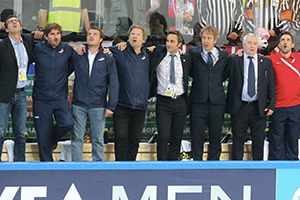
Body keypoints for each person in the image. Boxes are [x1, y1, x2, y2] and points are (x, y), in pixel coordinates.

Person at [70, 26, 119, 161]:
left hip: (98, 105)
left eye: (95, 34)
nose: (91, 36)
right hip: (79, 103)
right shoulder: (79, 54)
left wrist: (111, 106)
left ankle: (98, 166)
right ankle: (76, 167)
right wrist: (74, 47)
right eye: (89, 34)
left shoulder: (107, 57)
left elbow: (114, 82)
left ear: (101, 39)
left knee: (98, 139)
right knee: (77, 138)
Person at [225, 33, 276, 160]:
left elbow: (271, 86)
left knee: (258, 141)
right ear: (243, 44)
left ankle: (258, 171)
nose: (252, 46)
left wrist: (271, 105)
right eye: (249, 43)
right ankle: (236, 169)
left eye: (254, 43)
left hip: (258, 108)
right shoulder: (234, 60)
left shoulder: (266, 62)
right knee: (238, 140)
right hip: (240, 107)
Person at [33, 23, 74, 161]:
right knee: (42, 136)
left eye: (58, 34)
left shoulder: (67, 49)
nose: (56, 37)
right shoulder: (38, 48)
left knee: (67, 123)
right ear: (45, 36)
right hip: (41, 98)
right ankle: (47, 170)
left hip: (60, 97)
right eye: (52, 34)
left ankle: (52, 140)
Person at [148, 30, 192, 160]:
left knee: (177, 136)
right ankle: (161, 164)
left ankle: (173, 164)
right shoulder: (158, 53)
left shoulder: (186, 58)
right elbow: (142, 48)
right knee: (163, 135)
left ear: (179, 44)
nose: (168, 44)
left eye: (172, 41)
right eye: (167, 41)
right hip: (163, 102)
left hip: (180, 101)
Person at [108, 25, 150, 161]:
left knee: (134, 140)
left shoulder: (148, 56)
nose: (134, 36)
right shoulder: (120, 52)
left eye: (138, 34)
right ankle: (120, 168)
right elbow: (98, 49)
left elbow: (163, 50)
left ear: (144, 40)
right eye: (132, 34)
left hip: (140, 107)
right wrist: (80, 47)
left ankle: (131, 168)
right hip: (122, 105)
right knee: (120, 138)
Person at [187, 25, 229, 160]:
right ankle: (196, 162)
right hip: (198, 102)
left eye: (209, 38)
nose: (206, 41)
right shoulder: (193, 52)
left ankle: (214, 163)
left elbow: (224, 74)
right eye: (204, 38)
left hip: (217, 102)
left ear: (215, 40)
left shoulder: (224, 55)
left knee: (215, 135)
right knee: (197, 135)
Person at [0, 15, 34, 161]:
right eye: (10, 22)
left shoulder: (28, 41)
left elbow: (49, 41)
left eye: (16, 21)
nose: (14, 22)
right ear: (6, 29)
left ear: (21, 27)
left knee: (20, 132)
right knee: (0, 131)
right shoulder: (1, 45)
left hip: (21, 93)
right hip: (3, 94)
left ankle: (20, 163)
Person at [267, 32, 300, 160]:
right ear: (279, 44)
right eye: (282, 40)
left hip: (295, 107)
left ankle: (292, 172)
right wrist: (241, 52)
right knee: (276, 142)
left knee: (292, 140)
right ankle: (276, 169)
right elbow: (254, 57)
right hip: (277, 107)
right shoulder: (271, 59)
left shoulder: (298, 58)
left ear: (292, 44)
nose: (285, 42)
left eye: (288, 40)